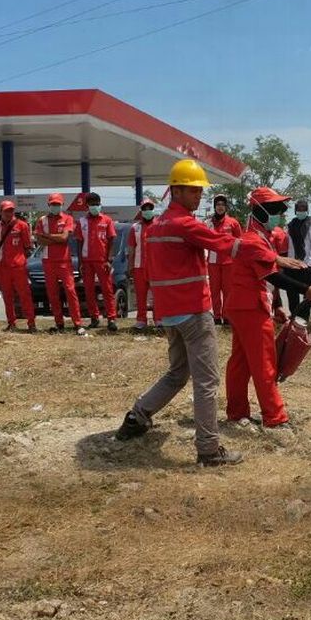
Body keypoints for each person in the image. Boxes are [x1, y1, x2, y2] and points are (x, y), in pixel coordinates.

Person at [115, 159, 243, 467]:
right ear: (177, 190)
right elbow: (227, 245)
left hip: (170, 315)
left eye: (201, 191)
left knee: (177, 373)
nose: (200, 196)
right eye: (194, 190)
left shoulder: (157, 225)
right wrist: (274, 258)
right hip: (194, 314)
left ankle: (137, 416)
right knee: (206, 381)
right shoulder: (184, 223)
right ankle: (209, 450)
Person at [224, 187, 311, 431]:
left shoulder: (260, 239)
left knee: (241, 362)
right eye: (276, 210)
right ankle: (275, 418)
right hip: (250, 308)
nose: (281, 215)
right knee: (264, 362)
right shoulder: (253, 241)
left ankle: (237, 413)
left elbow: (265, 277)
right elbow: (274, 276)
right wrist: (307, 290)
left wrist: (277, 305)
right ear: (261, 211)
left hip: (243, 306)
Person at [33, 193, 86, 335]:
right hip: (48, 261)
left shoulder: (68, 218)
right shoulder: (42, 220)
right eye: (53, 204)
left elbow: (64, 238)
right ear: (49, 205)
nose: (55, 206)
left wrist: (48, 235)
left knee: (70, 291)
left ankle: (78, 323)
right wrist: (55, 238)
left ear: (62, 205)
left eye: (58, 204)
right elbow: (39, 240)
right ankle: (59, 323)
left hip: (64, 261)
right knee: (52, 293)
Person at [75, 192, 118, 331]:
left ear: (100, 204)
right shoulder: (81, 222)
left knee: (107, 290)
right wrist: (81, 262)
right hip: (87, 261)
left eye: (97, 204)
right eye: (92, 204)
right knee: (88, 291)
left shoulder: (107, 220)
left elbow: (111, 240)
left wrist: (108, 259)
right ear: (87, 206)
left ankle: (111, 318)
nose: (95, 206)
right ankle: (94, 318)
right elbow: (79, 243)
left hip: (102, 261)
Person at [0, 200, 37, 333]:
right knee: (7, 296)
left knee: (25, 295)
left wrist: (20, 260)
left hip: (18, 267)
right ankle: (11, 323)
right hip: (3, 267)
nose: (9, 213)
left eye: (11, 210)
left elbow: (28, 247)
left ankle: (31, 323)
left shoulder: (22, 225)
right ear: (1, 212)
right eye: (6, 211)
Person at [205, 194, 243, 325]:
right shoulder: (208, 223)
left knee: (228, 290)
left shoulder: (233, 223)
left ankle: (227, 316)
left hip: (229, 262)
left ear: (226, 207)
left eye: (222, 205)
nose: (220, 207)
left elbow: (240, 242)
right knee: (214, 290)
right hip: (213, 262)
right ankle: (216, 316)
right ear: (214, 207)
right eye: (217, 205)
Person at [283, 199, 311, 320]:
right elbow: (289, 246)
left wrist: (310, 264)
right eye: (299, 209)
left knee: (307, 292)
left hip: (306, 265)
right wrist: (289, 263)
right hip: (293, 264)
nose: (301, 211)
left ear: (307, 210)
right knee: (291, 291)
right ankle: (294, 315)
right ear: (295, 210)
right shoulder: (290, 225)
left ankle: (304, 317)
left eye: (303, 209)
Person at [127, 197, 157, 330]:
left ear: (153, 209)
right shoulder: (135, 227)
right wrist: (130, 266)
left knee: (157, 295)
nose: (147, 211)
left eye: (149, 208)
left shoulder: (159, 225)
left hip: (155, 266)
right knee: (140, 295)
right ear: (141, 210)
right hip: (139, 266)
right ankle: (141, 320)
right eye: (145, 208)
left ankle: (159, 319)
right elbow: (131, 249)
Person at [269, 213, 289, 323]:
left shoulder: (279, 232)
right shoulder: (257, 231)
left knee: (274, 292)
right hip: (262, 266)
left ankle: (276, 312)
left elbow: (283, 253)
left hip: (274, 267)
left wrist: (281, 269)